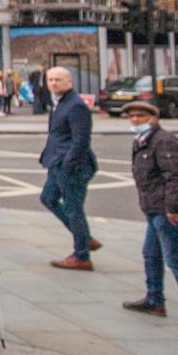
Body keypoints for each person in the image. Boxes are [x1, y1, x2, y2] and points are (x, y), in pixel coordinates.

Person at [119, 101, 178, 334]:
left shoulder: (164, 141)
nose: (135, 120)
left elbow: (177, 177)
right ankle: (155, 300)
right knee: (150, 254)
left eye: (140, 116)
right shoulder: (142, 141)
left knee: (176, 261)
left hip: (169, 211)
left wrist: (173, 208)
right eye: (131, 116)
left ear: (153, 118)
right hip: (154, 209)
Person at [40, 65, 100, 269]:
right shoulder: (60, 102)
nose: (54, 83)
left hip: (71, 166)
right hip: (57, 162)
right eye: (50, 80)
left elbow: (81, 140)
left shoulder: (76, 105)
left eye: (58, 80)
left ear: (69, 82)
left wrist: (69, 164)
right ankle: (84, 237)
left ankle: (82, 256)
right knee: (48, 198)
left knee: (74, 209)